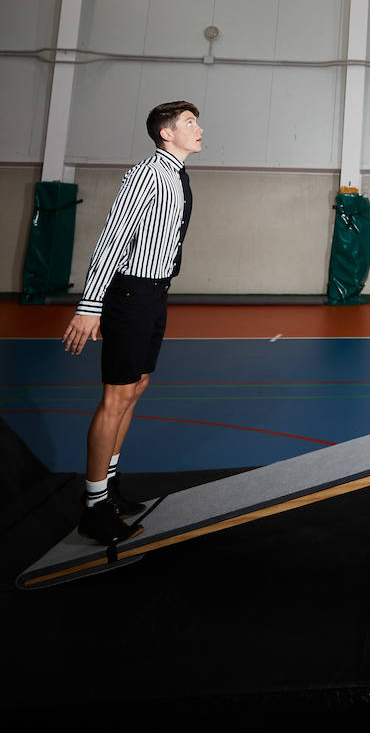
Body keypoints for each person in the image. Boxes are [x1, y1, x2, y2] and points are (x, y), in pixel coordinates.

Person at [61, 101, 202, 544]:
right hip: (130, 294)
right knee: (115, 397)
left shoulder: (176, 174)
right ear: (165, 134)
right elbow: (113, 237)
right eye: (189, 123)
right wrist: (90, 305)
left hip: (156, 293)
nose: (199, 129)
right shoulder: (147, 174)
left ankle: (110, 488)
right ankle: (93, 506)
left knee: (136, 387)